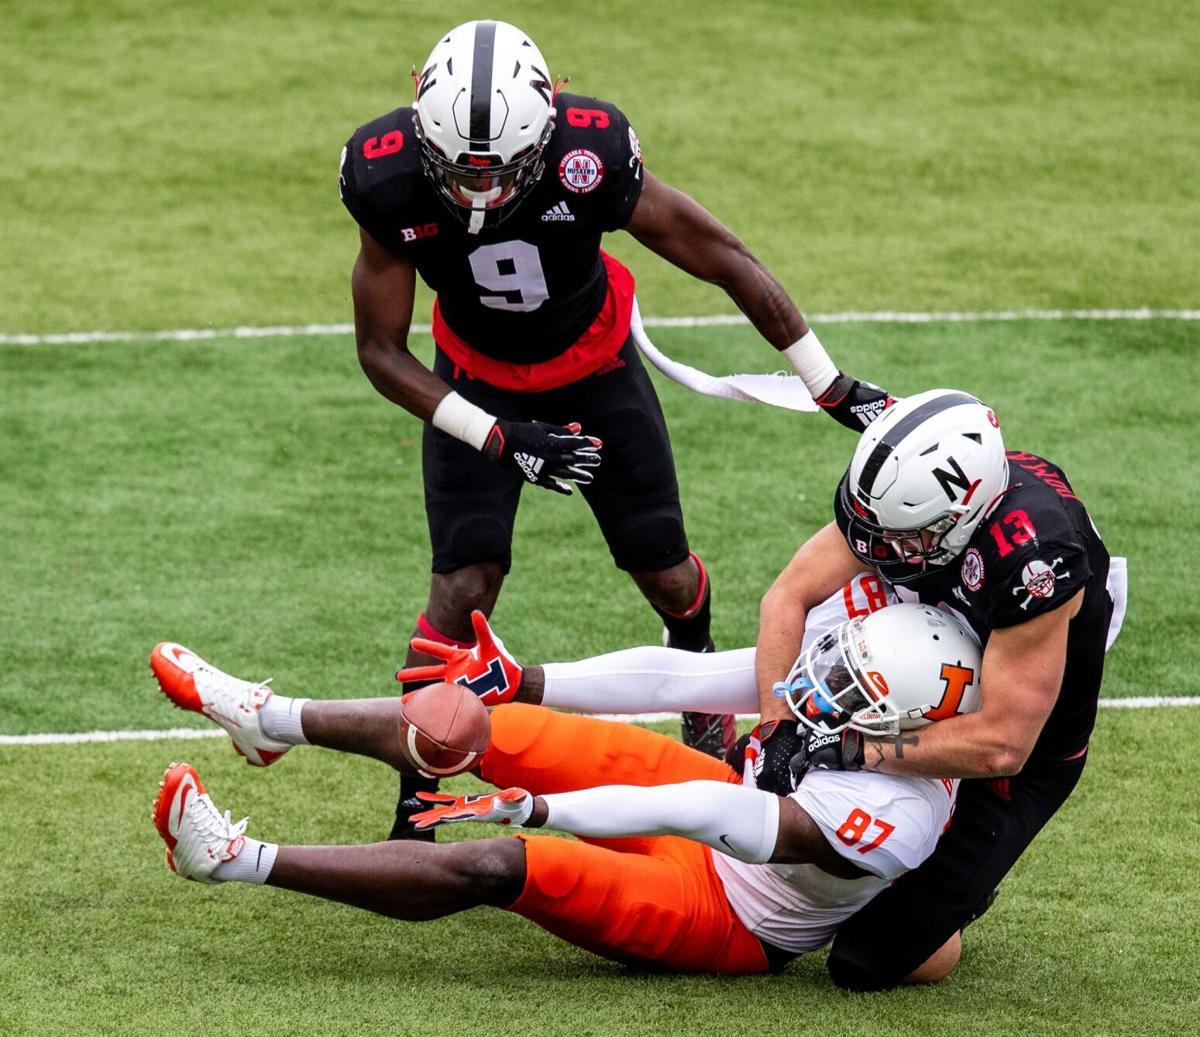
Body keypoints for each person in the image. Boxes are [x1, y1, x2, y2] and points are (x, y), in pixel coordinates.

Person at [337, 18, 882, 832]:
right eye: (459, 174)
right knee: (462, 587)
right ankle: (420, 776)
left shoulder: (589, 157)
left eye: (504, 174)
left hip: (594, 371)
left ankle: (695, 665)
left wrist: (824, 379)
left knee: (664, 571)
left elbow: (721, 254)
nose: (480, 197)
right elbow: (380, 351)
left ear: (550, 118)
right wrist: (498, 435)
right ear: (418, 115)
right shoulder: (382, 176)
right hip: (476, 380)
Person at [148, 595, 978, 977]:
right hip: (713, 794)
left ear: (903, 721)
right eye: (839, 661)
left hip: (733, 914)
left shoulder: (897, 812)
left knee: (503, 863)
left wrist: (543, 809)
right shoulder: (869, 683)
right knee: (480, 722)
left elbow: (711, 813)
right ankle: (272, 719)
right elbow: (676, 677)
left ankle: (232, 856)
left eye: (851, 686)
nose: (820, 679)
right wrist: (524, 678)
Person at [748, 387, 1124, 991]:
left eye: (902, 538)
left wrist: (855, 748)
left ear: (960, 519)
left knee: (866, 962)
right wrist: (778, 727)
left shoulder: (1034, 559)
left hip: (1017, 746)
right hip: (932, 670)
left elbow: (1003, 747)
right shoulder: (913, 500)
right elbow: (788, 596)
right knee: (802, 733)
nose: (878, 551)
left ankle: (959, 895)